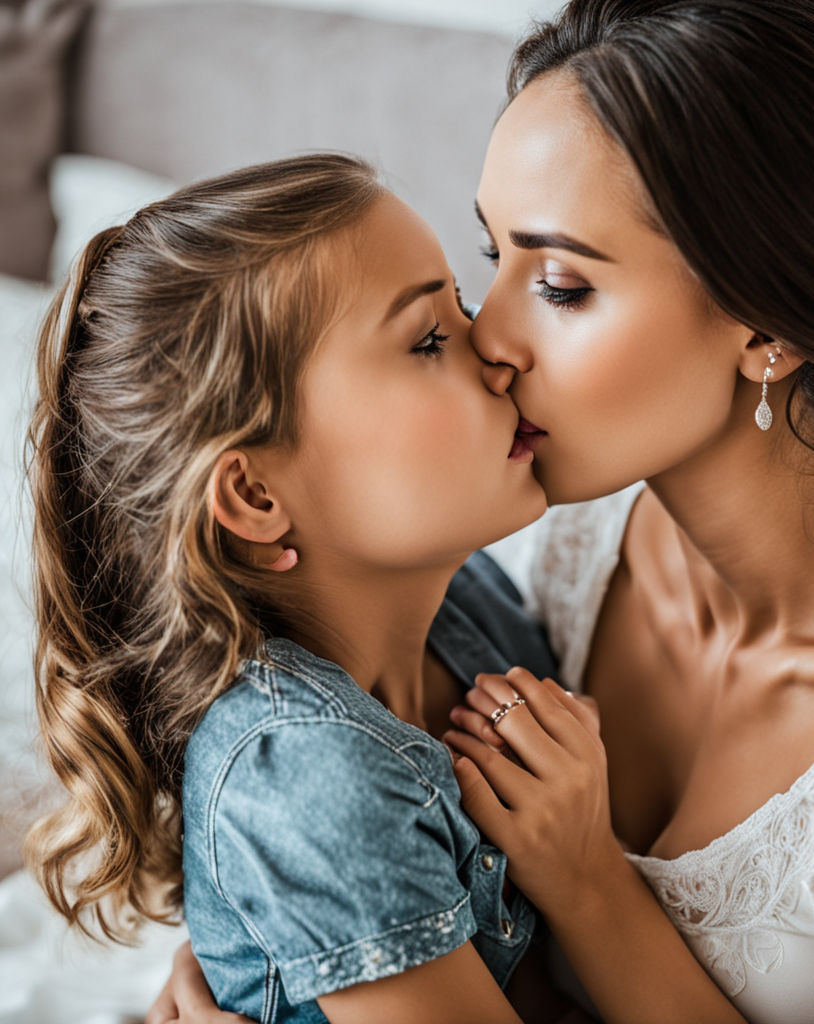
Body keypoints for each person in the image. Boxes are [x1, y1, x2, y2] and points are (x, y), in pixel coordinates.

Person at [150, 0, 814, 1021]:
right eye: (495, 260)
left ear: (768, 323)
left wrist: (589, 882)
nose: (489, 337)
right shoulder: (576, 535)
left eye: (561, 283)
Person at [26, 152, 602, 1023]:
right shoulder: (301, 771)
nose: (495, 347)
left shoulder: (468, 599)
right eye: (428, 340)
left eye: (460, 300)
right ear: (257, 497)